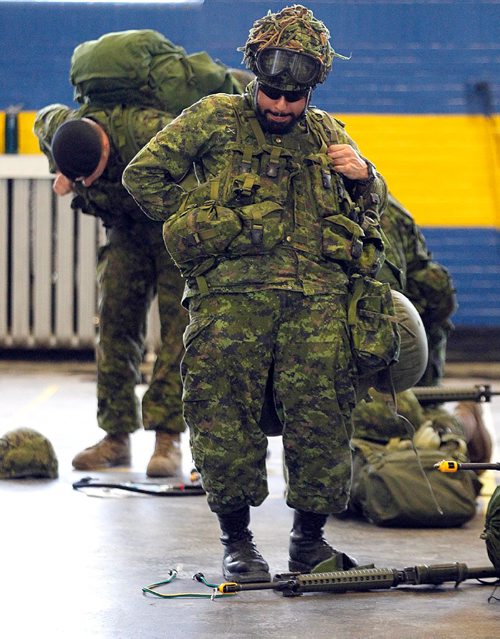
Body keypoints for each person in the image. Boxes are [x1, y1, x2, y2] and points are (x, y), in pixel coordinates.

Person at [123, 5, 390, 582]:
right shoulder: (215, 118)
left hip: (318, 306)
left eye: (294, 98)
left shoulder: (326, 132)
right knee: (223, 416)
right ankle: (237, 542)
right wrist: (200, 222)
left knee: (323, 419)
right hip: (230, 305)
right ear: (256, 75)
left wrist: (365, 175)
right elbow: (142, 174)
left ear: (311, 91)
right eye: (271, 92)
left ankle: (309, 542)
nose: (280, 106)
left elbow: (375, 204)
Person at [34, 105, 187, 477]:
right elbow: (44, 120)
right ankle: (115, 436)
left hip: (172, 231)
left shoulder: (153, 129)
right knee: (115, 327)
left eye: (91, 176)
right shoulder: (58, 130)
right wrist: (63, 172)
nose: (85, 185)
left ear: (106, 149)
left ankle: (167, 437)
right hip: (125, 232)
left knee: (177, 333)